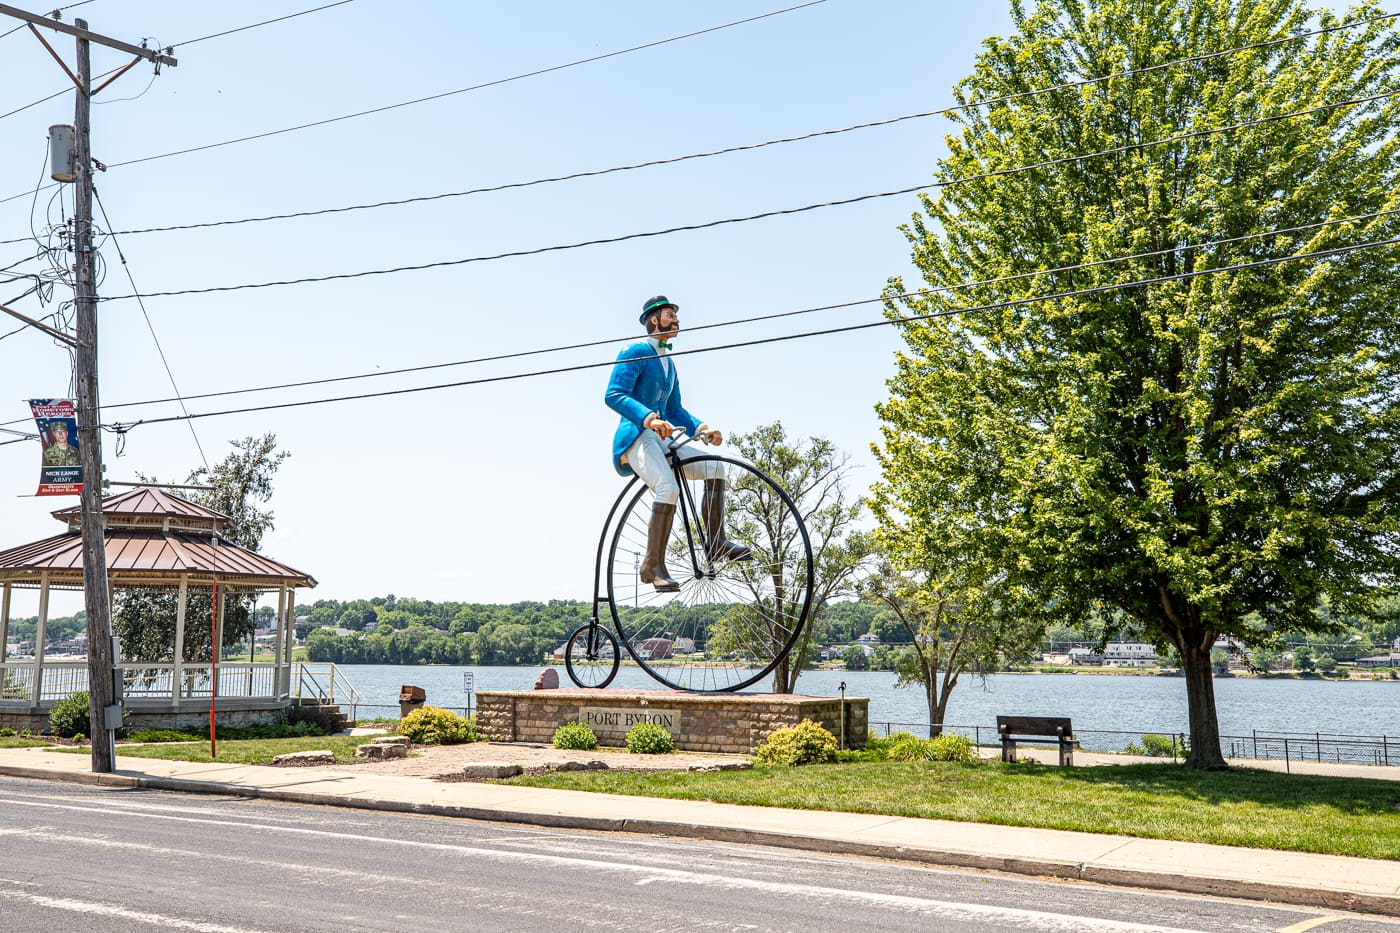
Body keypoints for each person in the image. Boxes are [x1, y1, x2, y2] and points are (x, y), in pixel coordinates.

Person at [605, 295, 751, 592]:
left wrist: (702, 428)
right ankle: (652, 566)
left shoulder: (669, 363)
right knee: (668, 487)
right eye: (670, 314)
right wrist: (647, 418)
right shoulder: (635, 351)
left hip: (664, 438)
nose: (676, 319)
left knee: (715, 468)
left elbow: (675, 410)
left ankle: (716, 543)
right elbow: (614, 394)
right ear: (654, 319)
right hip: (637, 436)